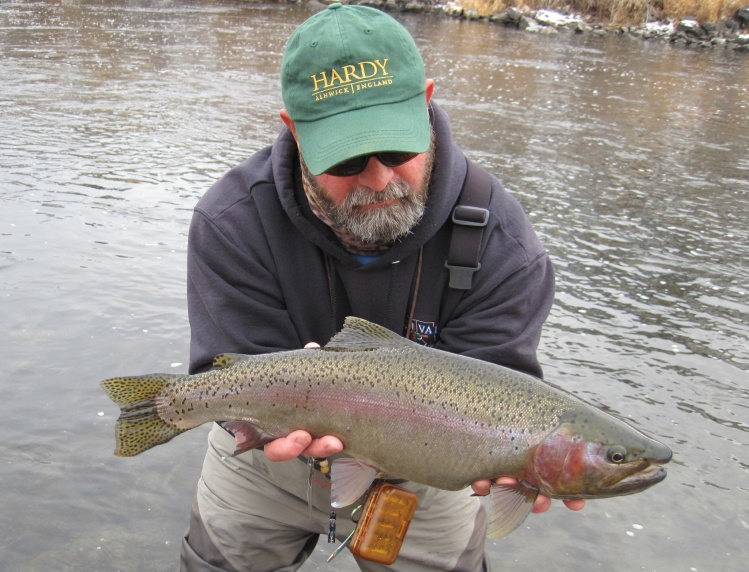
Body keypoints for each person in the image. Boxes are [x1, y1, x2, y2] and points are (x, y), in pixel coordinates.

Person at [180, 4, 583, 571]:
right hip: (265, 458)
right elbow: (228, 377)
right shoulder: (232, 221)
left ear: (426, 103)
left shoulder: (502, 243)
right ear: (294, 131)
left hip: (431, 474)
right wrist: (301, 397)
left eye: (396, 150)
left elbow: (502, 392)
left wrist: (531, 461)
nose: (378, 179)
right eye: (346, 158)